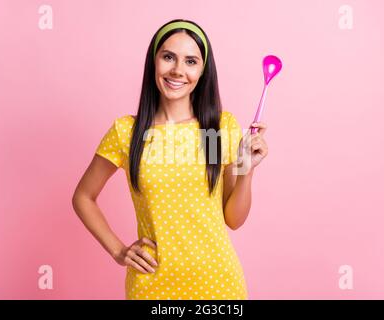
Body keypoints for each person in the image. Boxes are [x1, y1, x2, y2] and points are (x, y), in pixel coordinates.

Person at [72, 19, 268, 300]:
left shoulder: (214, 131)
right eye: (168, 57)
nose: (178, 70)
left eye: (191, 61)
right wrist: (118, 250)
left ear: (202, 71)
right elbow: (83, 196)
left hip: (218, 286)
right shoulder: (128, 133)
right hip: (152, 287)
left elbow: (233, 219)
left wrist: (247, 171)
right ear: (154, 62)